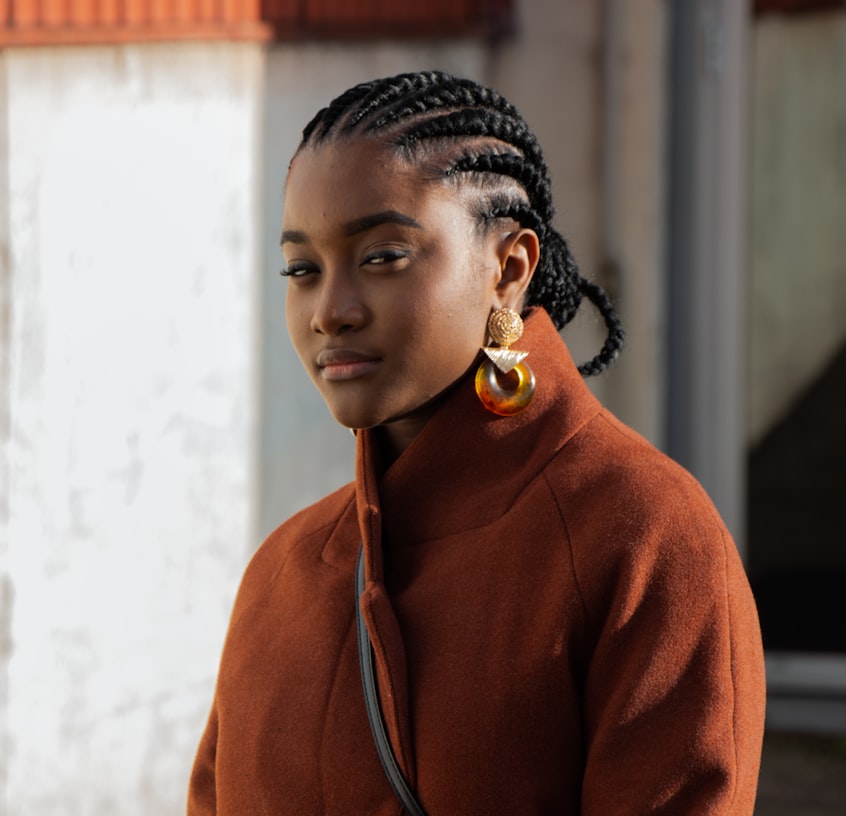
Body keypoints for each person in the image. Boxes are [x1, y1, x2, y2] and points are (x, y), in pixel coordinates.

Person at [188, 70, 766, 816]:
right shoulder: (282, 574)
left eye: (384, 256)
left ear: (509, 269)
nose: (330, 311)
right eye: (302, 269)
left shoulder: (648, 537)